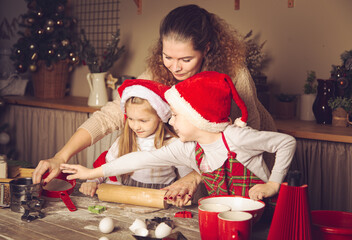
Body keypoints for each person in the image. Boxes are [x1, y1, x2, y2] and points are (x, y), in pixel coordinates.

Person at [33, 4, 276, 204]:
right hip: (202, 162)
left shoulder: (233, 73)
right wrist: (60, 156)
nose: (175, 67)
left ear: (207, 49)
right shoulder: (160, 71)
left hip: (251, 162)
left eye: (186, 59)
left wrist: (193, 177)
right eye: (167, 56)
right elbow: (111, 115)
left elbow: (243, 142)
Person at [60, 71, 296, 206]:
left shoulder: (236, 136)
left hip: (265, 214)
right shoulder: (188, 150)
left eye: (175, 115)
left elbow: (286, 142)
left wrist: (273, 183)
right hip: (229, 215)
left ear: (198, 118)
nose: (170, 122)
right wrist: (90, 174)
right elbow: (137, 160)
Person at [79, 79, 192, 197]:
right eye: (131, 119)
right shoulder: (123, 141)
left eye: (143, 120)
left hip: (161, 196)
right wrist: (92, 181)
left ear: (160, 116)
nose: (136, 126)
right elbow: (106, 166)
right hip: (128, 195)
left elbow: (186, 178)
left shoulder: (173, 143)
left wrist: (181, 192)